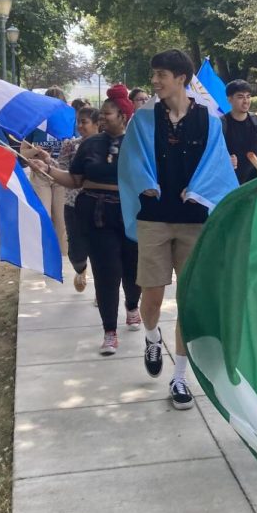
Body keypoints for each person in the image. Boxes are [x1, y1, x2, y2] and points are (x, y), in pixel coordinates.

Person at [120, 49, 238, 410]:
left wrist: (200, 189)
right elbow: (132, 159)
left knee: (189, 302)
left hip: (195, 222)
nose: (155, 81)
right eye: (154, 74)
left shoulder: (210, 121)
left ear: (182, 78)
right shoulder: (142, 120)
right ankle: (152, 336)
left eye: (162, 75)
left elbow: (218, 167)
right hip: (154, 217)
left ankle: (180, 377)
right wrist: (146, 181)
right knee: (151, 296)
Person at [35, 97, 139, 356]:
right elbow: (74, 179)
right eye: (101, 114)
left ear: (123, 116)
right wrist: (47, 168)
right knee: (107, 272)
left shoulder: (140, 144)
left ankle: (132, 304)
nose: (102, 119)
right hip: (96, 215)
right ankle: (109, 332)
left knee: (132, 270)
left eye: (108, 114)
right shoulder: (90, 145)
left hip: (132, 215)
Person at [21, 87, 72, 255]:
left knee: (61, 220)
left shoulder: (70, 120)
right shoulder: (36, 123)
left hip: (61, 174)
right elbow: (23, 153)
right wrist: (36, 150)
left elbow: (77, 145)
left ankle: (64, 256)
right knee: (44, 215)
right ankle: (44, 254)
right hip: (40, 175)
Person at [61, 105, 100, 293]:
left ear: (96, 123)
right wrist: (45, 162)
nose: (80, 126)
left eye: (84, 122)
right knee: (76, 249)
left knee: (100, 249)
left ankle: (102, 289)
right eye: (78, 122)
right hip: (73, 204)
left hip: (99, 204)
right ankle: (81, 269)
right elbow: (62, 170)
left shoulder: (109, 146)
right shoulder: (70, 145)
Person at [222, 79, 257, 184]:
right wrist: (225, 161)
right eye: (240, 97)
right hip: (233, 185)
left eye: (248, 96)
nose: (246, 101)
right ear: (229, 99)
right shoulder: (221, 125)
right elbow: (213, 156)